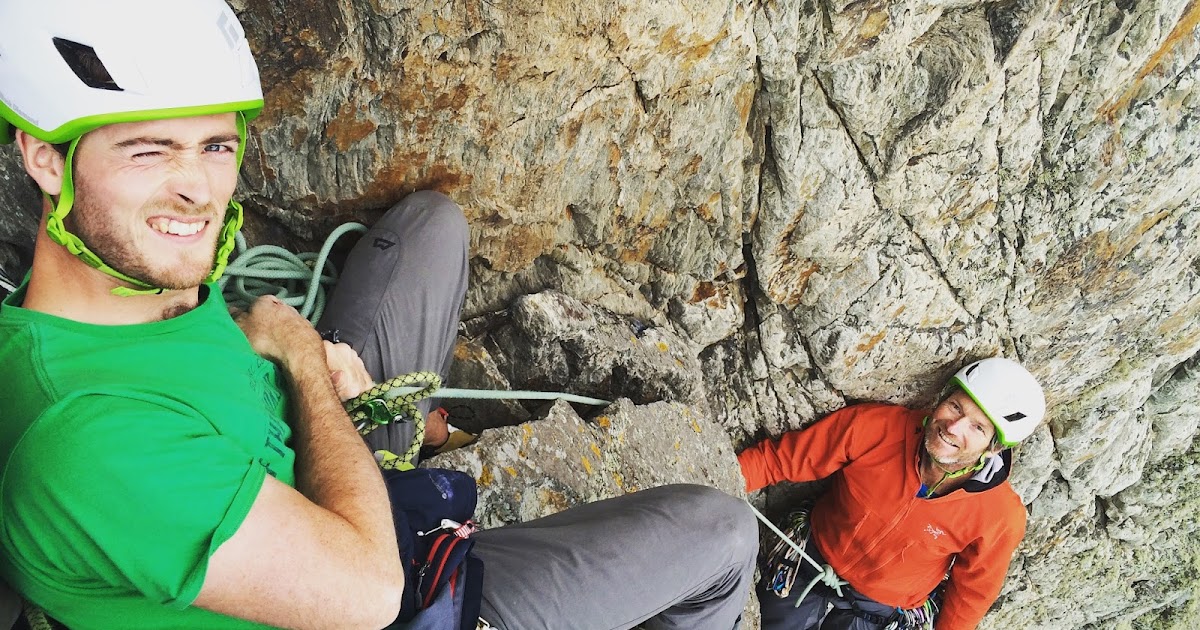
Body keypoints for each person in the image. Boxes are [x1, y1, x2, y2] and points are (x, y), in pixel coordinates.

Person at [0, 1, 758, 628]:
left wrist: (282, 356)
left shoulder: (111, 293)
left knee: (432, 228)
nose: (198, 190)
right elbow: (370, 593)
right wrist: (303, 360)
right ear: (46, 159)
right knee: (721, 536)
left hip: (314, 450)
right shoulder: (90, 447)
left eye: (215, 147)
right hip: (383, 588)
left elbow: (184, 382)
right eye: (149, 151)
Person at [739, 357, 1045, 630]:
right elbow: (780, 460)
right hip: (814, 556)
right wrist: (723, 481)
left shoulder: (999, 515)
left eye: (977, 428)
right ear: (941, 399)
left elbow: (971, 593)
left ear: (993, 448)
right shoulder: (878, 427)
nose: (954, 427)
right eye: (955, 407)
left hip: (884, 607)